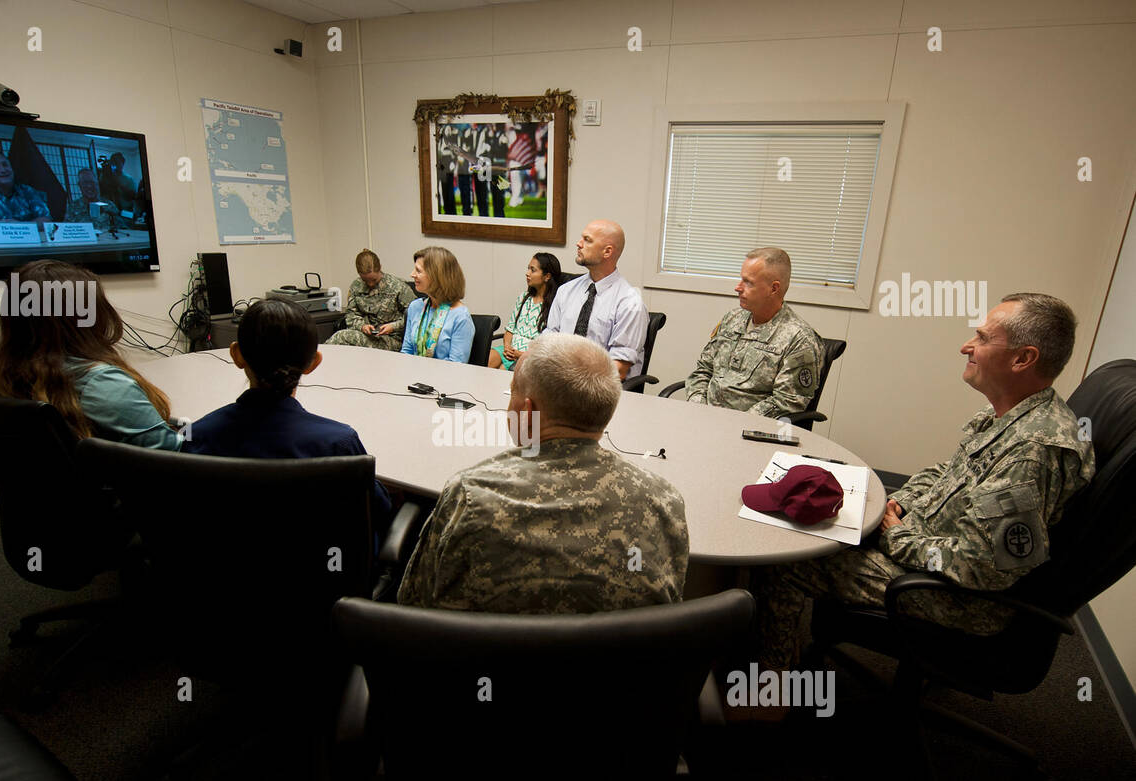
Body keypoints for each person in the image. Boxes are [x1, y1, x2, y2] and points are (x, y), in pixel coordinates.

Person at [750, 292, 1096, 674]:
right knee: (816, 522)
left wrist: (896, 536)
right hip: (928, 544)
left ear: (1022, 358)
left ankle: (772, 686)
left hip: (958, 598)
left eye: (982, 338)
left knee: (782, 561)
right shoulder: (1013, 413)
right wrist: (898, 503)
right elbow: (947, 473)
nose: (967, 346)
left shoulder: (1032, 451)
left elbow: (984, 569)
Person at [398, 334, 690, 612]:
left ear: (527, 411)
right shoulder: (664, 500)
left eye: (512, 392)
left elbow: (414, 603)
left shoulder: (472, 494)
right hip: (617, 664)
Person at [183, 297, 391, 526]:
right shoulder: (339, 443)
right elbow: (380, 510)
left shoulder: (196, 435)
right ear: (313, 363)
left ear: (237, 355)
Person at [0, 259, 182, 450]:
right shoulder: (101, 382)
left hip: (80, 481)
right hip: (158, 479)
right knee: (208, 425)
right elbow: (171, 449)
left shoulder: (3, 371)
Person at [684, 248, 824, 419]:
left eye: (748, 282)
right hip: (704, 420)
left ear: (773, 289)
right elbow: (703, 371)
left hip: (749, 431)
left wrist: (732, 423)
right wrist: (699, 409)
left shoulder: (799, 339)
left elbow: (787, 401)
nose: (738, 288)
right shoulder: (732, 319)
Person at [542, 219, 647, 380]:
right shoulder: (566, 290)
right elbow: (548, 340)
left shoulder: (629, 303)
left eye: (587, 240)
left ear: (607, 252)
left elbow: (618, 369)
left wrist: (572, 379)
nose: (578, 244)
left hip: (599, 389)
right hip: (558, 382)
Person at [324, 249, 417, 351]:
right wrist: (362, 326)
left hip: (392, 339)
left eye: (374, 280)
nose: (370, 284)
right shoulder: (356, 286)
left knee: (342, 337)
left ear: (380, 268)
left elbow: (416, 315)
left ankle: (316, 360)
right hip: (366, 335)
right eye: (365, 280)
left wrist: (393, 326)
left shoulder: (398, 286)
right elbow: (351, 315)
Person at [400, 246, 474, 363]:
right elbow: (406, 351)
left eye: (418, 271)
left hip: (445, 379)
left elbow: (457, 366)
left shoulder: (460, 317)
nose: (412, 274)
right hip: (414, 376)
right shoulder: (415, 307)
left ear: (436, 276)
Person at [489, 252, 561, 370]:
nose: (527, 273)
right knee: (486, 359)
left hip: (529, 356)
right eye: (528, 269)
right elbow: (510, 330)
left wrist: (520, 354)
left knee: (503, 369)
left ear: (547, 276)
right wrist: (507, 346)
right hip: (510, 350)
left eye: (533, 270)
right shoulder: (524, 297)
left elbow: (548, 346)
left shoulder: (555, 304)